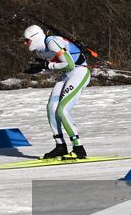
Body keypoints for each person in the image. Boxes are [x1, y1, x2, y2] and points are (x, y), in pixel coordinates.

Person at [23, 24, 90, 159]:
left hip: (79, 72)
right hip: (66, 75)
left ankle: (79, 148)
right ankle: (60, 146)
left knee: (62, 110)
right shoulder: (39, 50)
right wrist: (39, 69)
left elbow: (69, 64)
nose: (25, 43)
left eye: (27, 40)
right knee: (51, 108)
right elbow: (54, 66)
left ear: (34, 38)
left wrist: (47, 65)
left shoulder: (51, 42)